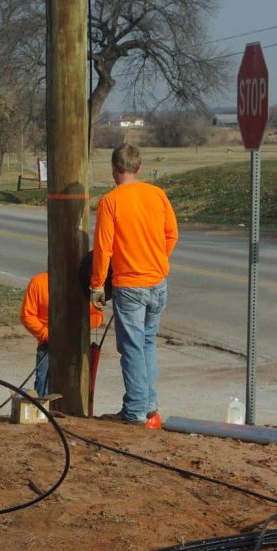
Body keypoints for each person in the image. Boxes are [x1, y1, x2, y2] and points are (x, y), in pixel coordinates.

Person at [90, 143, 178, 426]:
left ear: (115, 168)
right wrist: (156, 258)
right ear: (138, 168)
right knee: (147, 342)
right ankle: (149, 405)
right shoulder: (157, 194)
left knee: (132, 348)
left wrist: (97, 285)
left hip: (130, 285)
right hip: (158, 281)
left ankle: (136, 410)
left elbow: (103, 248)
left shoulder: (111, 201)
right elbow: (171, 234)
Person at [20, 271, 104, 396]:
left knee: (74, 384)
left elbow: (98, 315)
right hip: (48, 344)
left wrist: (77, 327)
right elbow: (27, 315)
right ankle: (42, 411)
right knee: (43, 383)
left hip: (75, 343)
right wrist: (47, 335)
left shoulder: (84, 284)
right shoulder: (38, 282)